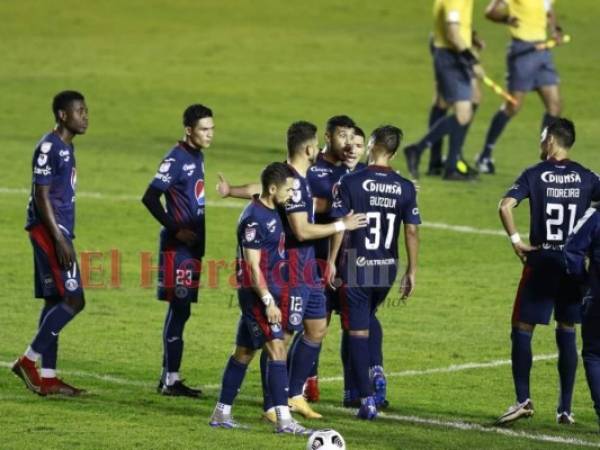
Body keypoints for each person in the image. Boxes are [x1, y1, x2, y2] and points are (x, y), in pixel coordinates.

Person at [216, 121, 367, 421]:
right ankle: (273, 405)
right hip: (292, 271)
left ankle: (293, 394)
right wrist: (341, 224)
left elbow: (260, 188)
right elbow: (299, 230)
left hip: (309, 267)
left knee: (316, 328)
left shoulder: (299, 177)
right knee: (278, 338)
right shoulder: (292, 183)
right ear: (311, 148)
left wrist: (230, 190)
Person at [496, 118, 600, 425]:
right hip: (573, 264)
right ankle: (565, 409)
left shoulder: (534, 174)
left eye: (542, 138)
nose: (540, 144)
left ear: (551, 140)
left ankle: (523, 400)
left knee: (522, 328)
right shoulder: (587, 176)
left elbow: (504, 206)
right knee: (567, 329)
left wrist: (516, 242)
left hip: (542, 260)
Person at [209, 162, 313, 435]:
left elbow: (257, 187)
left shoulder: (273, 205)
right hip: (258, 294)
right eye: (288, 190)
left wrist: (231, 189)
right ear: (274, 189)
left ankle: (221, 413)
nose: (292, 195)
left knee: (243, 352)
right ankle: (284, 420)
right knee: (277, 350)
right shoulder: (254, 219)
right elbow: (252, 267)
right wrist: (268, 302)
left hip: (270, 291)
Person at [329, 125, 421, 419]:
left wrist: (330, 260)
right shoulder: (406, 187)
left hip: (357, 265)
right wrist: (412, 271)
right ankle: (375, 368)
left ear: (371, 145)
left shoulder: (351, 181)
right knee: (367, 317)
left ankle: (366, 398)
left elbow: (342, 226)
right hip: (387, 267)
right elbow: (412, 232)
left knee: (356, 331)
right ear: (393, 152)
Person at [13, 90, 89, 396]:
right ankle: (28, 361)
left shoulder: (65, 148)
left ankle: (47, 376)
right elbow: (40, 195)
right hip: (49, 232)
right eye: (80, 111)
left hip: (55, 231)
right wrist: (59, 239)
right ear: (62, 115)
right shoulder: (50, 147)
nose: (85, 116)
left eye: (86, 111)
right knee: (74, 300)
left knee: (55, 300)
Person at [141, 104, 214, 397]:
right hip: (178, 250)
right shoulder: (176, 158)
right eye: (203, 129)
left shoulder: (197, 155)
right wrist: (175, 229)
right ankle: (170, 379)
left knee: (182, 311)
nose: (209, 134)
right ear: (188, 130)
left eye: (212, 128)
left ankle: (169, 377)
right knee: (179, 308)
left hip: (192, 249)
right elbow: (149, 197)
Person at [476, 0, 565, 174]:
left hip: (542, 51)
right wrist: (506, 19)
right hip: (522, 51)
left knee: (555, 106)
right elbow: (490, 11)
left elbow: (548, 9)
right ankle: (485, 155)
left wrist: (555, 29)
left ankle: (547, 159)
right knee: (513, 106)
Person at [404, 0, 483, 181]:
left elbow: (456, 24)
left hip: (450, 52)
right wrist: (473, 61)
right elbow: (452, 33)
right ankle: (419, 150)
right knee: (463, 114)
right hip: (451, 56)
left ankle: (440, 162)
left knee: (443, 102)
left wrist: (471, 35)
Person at [564, 204, 600, 428]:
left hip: (598, 292)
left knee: (594, 353)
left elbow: (572, 249)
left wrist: (583, 283)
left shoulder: (595, 214)